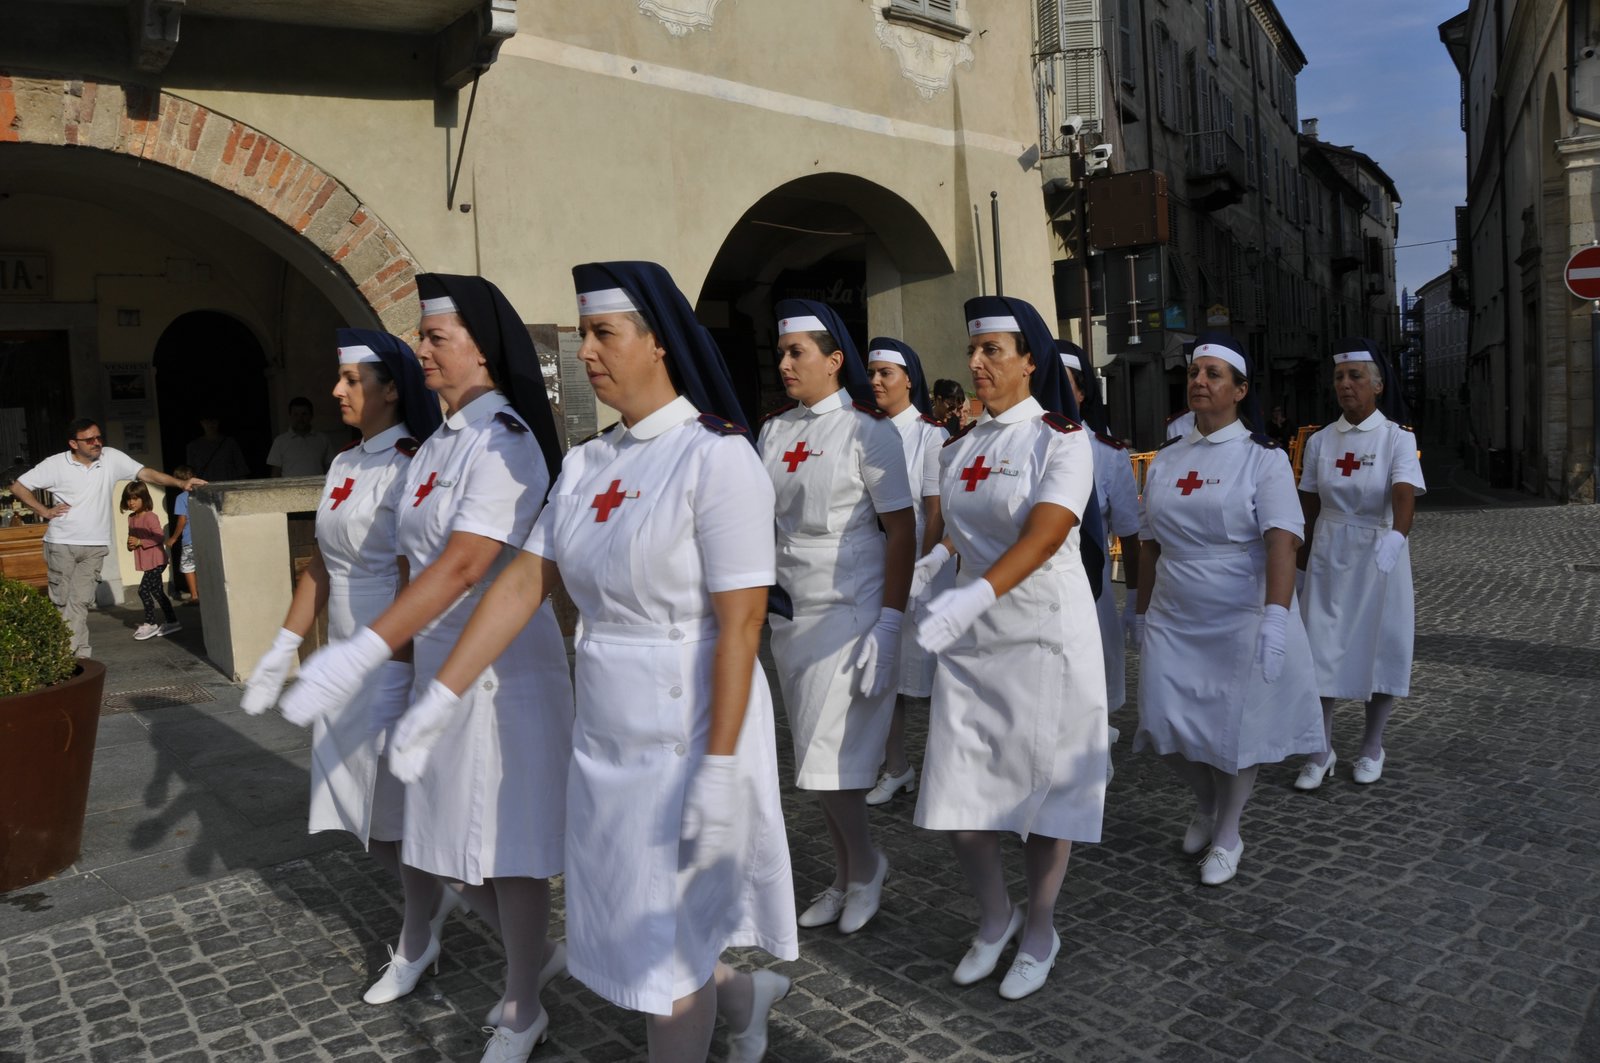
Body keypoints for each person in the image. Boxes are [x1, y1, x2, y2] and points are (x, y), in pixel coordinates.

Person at [406, 261, 799, 1062]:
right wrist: (440, 694)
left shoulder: (715, 458)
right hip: (608, 730)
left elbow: (743, 621)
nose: (584, 349)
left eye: (603, 333)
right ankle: (744, 993)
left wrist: (721, 770)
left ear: (658, 344)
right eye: (582, 332)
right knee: (626, 919)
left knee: (667, 949)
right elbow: (522, 583)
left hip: (694, 729)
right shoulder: (585, 465)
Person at [281, 274, 572, 1063]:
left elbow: (467, 564)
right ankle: (527, 965)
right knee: (439, 836)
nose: (421, 350)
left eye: (435, 337)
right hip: (440, 663)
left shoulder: (504, 438)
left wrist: (361, 651)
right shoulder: (438, 443)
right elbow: (410, 564)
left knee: (505, 844)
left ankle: (521, 1004)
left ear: (481, 345)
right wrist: (395, 659)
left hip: (504, 668)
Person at [908, 295, 1106, 1001]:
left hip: (1042, 636)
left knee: (1044, 796)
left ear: (1032, 359)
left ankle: (1041, 925)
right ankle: (995, 917)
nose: (976, 363)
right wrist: (936, 565)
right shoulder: (958, 445)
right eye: (973, 350)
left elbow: (1048, 533)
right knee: (961, 795)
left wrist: (975, 592)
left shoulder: (1062, 439)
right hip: (974, 640)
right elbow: (953, 528)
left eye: (993, 350)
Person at [240, 327, 445, 988]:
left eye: (352, 379)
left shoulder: (413, 463)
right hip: (342, 661)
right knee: (361, 814)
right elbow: (320, 570)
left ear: (391, 387)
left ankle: (421, 938)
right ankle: (449, 913)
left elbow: (420, 580)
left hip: (389, 660)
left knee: (399, 815)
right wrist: (281, 648)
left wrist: (395, 667)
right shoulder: (343, 463)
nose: (336, 391)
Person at [1130, 330, 1322, 887]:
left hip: (1239, 610)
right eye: (1194, 372)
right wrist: (1139, 609)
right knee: (1163, 722)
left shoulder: (1261, 461)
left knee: (1236, 728)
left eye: (1213, 374)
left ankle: (1229, 830)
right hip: (1174, 608)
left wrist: (1277, 617)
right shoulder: (1168, 458)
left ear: (1240, 390)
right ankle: (1208, 802)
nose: (1199, 381)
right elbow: (1148, 540)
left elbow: (1283, 540)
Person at [758, 299, 915, 936]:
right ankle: (847, 870)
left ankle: (867, 865)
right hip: (793, 613)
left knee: (833, 758)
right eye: (782, 353)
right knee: (816, 763)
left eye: (798, 352)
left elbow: (902, 531)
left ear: (834, 359)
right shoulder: (773, 432)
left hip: (850, 608)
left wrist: (889, 620)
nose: (786, 363)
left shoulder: (867, 433)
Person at [1294, 338, 1425, 789]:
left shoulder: (1397, 439)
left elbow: (1404, 495)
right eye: (1339, 377)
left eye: (1355, 377)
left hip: (1379, 552)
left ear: (1378, 386)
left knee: (1381, 647)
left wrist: (1396, 536)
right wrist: (1299, 560)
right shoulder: (1320, 442)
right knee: (1320, 648)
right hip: (1331, 548)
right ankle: (1319, 747)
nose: (1346, 385)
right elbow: (1308, 504)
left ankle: (1372, 745)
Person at [9, 419, 206, 657]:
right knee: (62, 601)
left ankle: (76, 654)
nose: (96, 443)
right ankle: (70, 653)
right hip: (61, 543)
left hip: (94, 545)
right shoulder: (54, 465)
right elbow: (19, 487)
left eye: (99, 437)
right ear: (73, 443)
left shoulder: (110, 457)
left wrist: (180, 483)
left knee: (80, 602)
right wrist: (44, 511)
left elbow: (147, 474)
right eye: (89, 439)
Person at [863, 338, 948, 806]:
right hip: (877, 566)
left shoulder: (929, 435)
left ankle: (944, 770)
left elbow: (934, 510)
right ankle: (897, 767)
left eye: (885, 374)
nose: (875, 381)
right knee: (887, 675)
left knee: (934, 677)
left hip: (921, 568)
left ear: (909, 379)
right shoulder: (865, 431)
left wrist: (924, 570)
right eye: (872, 373)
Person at [1059, 340, 1140, 777]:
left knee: (1091, 679)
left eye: (1062, 382)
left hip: (1091, 588)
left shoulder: (1107, 455)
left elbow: (1129, 533)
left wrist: (1137, 604)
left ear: (1082, 392)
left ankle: (1095, 752)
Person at [121, 481, 180, 640]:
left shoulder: (150, 517)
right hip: (148, 561)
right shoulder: (131, 519)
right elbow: (132, 538)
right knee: (157, 591)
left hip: (157, 560)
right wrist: (131, 545)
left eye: (135, 498)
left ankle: (150, 624)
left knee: (143, 590)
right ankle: (173, 621)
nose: (131, 502)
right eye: (128, 499)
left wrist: (141, 542)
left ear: (144, 498)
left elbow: (159, 537)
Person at [267, 396, 338, 477]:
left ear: (311, 415)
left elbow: (330, 469)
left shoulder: (323, 439)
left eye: (304, 414)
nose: (300, 418)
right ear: (290, 416)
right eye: (296, 414)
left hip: (317, 487)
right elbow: (275, 473)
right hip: (289, 489)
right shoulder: (280, 441)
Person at [164, 465, 199, 604]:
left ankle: (195, 596)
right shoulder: (203, 493)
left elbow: (182, 520)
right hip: (205, 537)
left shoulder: (181, 497)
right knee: (203, 566)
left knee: (188, 567)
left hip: (190, 539)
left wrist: (173, 538)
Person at [185, 414, 252, 481]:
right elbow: (189, 472)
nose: (211, 424)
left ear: (218, 422)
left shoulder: (229, 443)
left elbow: (241, 466)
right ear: (202, 423)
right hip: (204, 485)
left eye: (214, 421)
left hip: (228, 483)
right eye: (207, 422)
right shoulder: (193, 446)